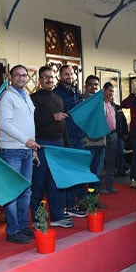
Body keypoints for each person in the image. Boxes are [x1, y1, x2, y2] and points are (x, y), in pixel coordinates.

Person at [0, 65, 39, 244]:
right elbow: (4, 124)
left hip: (27, 150)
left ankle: (22, 226)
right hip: (11, 150)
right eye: (17, 75)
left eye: (24, 75)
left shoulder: (26, 96)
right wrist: (26, 140)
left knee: (25, 191)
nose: (21, 78)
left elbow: (29, 124)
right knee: (12, 192)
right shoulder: (7, 96)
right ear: (10, 77)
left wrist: (33, 149)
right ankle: (12, 230)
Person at [29, 66, 72, 228]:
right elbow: (32, 122)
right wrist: (52, 117)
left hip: (59, 144)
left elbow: (63, 125)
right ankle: (38, 219)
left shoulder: (58, 98)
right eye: (45, 77)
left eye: (51, 77)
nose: (49, 80)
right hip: (42, 143)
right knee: (38, 183)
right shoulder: (33, 98)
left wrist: (66, 147)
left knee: (56, 182)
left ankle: (57, 216)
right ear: (39, 80)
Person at [52, 65, 86, 219]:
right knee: (69, 172)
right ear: (60, 76)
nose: (69, 77)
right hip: (66, 136)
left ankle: (78, 201)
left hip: (79, 135)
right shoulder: (57, 93)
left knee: (78, 170)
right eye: (66, 74)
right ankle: (69, 204)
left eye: (71, 74)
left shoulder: (76, 92)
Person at [81, 75, 106, 192]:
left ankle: (93, 199)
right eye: (91, 84)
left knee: (97, 173)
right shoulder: (82, 100)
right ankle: (84, 200)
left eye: (96, 84)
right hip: (88, 142)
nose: (94, 87)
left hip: (101, 142)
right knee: (86, 173)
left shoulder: (101, 100)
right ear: (86, 86)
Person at [99, 82, 120, 195]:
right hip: (103, 136)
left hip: (113, 135)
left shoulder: (113, 104)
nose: (111, 93)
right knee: (102, 161)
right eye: (109, 90)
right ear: (104, 90)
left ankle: (110, 185)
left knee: (111, 162)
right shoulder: (100, 103)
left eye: (113, 91)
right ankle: (101, 186)